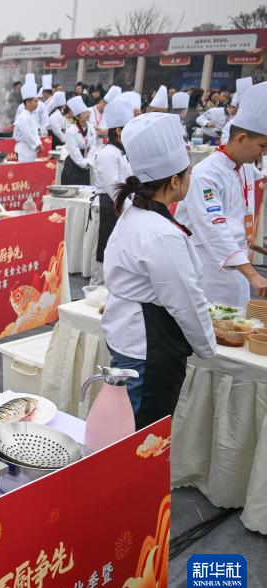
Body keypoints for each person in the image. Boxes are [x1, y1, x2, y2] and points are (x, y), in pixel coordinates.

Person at [102, 113, 216, 429]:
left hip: (130, 337)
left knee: (128, 430)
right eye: (188, 172)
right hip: (149, 348)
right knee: (142, 437)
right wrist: (208, 347)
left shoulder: (135, 215)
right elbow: (186, 300)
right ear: (175, 181)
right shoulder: (160, 232)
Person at [175, 82, 267, 307]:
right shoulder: (205, 174)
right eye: (262, 146)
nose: (263, 154)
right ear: (241, 138)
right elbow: (213, 228)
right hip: (209, 270)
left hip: (238, 266)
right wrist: (252, 274)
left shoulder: (245, 167)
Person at [91, 99, 134, 285]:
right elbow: (114, 188)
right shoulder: (108, 153)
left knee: (115, 250)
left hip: (118, 205)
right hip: (107, 205)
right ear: (118, 131)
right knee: (104, 249)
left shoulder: (120, 153)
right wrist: (130, 208)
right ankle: (96, 287)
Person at [61, 96, 96, 185]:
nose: (87, 115)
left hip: (86, 162)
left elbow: (93, 146)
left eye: (87, 112)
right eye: (83, 113)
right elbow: (74, 150)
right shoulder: (71, 131)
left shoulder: (91, 128)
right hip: (73, 163)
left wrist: (89, 161)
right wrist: (83, 164)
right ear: (77, 117)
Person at [13, 83, 42, 163]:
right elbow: (27, 134)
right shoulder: (23, 117)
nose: (37, 104)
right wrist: (37, 144)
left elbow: (34, 133)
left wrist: (38, 143)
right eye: (35, 101)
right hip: (24, 151)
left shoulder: (31, 115)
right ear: (28, 103)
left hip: (30, 150)